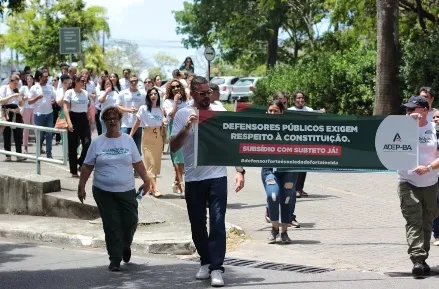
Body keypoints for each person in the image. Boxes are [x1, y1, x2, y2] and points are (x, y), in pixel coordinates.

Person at [170, 76, 245, 287]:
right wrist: (186, 127)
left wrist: (239, 170)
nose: (206, 97)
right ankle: (205, 260)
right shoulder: (183, 113)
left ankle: (217, 268)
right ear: (192, 94)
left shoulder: (218, 112)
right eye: (201, 93)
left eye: (208, 93)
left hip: (217, 177)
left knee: (218, 222)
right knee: (197, 224)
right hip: (194, 178)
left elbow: (231, 143)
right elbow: (173, 147)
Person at [78, 106, 150, 272]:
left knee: (130, 221)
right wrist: (81, 186)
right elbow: (87, 166)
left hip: (126, 190)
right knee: (112, 224)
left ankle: (125, 245)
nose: (112, 121)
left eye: (115, 118)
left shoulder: (127, 140)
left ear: (119, 121)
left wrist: (147, 180)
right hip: (103, 190)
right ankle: (115, 258)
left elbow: (137, 162)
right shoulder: (98, 142)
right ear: (104, 121)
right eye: (109, 119)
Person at [398, 95, 439, 277]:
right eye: (406, 109)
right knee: (414, 221)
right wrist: (405, 125)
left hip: (430, 183)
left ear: (424, 110)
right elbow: (387, 146)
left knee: (427, 222)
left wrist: (429, 167)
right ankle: (417, 259)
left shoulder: (435, 129)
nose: (408, 112)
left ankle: (423, 258)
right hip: (407, 182)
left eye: (412, 109)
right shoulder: (400, 128)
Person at [262, 100, 297, 244]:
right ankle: (274, 228)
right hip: (270, 169)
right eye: (270, 110)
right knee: (273, 195)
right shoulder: (261, 128)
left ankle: (284, 232)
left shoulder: (291, 128)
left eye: (276, 110)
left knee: (287, 199)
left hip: (288, 169)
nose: (272, 113)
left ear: (282, 112)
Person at [130, 87, 164, 197]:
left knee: (156, 164)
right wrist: (130, 136)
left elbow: (162, 123)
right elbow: (137, 123)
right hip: (148, 136)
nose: (153, 96)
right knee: (150, 163)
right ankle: (155, 188)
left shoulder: (160, 109)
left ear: (158, 96)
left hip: (158, 137)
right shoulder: (143, 108)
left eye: (155, 94)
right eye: (151, 94)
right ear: (148, 97)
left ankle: (151, 187)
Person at [163, 79, 189, 195]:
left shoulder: (186, 101)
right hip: (174, 130)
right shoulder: (167, 102)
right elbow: (172, 114)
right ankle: (182, 186)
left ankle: (176, 182)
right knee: (179, 160)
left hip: (186, 130)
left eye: (177, 86)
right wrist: (175, 101)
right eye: (173, 87)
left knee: (184, 159)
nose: (176, 89)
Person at [63, 75, 92, 177]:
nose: (83, 82)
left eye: (84, 81)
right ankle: (73, 170)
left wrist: (89, 118)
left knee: (88, 143)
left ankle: (80, 161)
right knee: (73, 146)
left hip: (83, 118)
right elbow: (65, 107)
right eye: (81, 81)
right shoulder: (69, 92)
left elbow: (87, 107)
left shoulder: (85, 93)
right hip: (73, 117)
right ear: (76, 81)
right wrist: (69, 122)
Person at [28, 70, 57, 158]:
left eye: (47, 76)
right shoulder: (34, 88)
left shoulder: (50, 87)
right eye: (45, 76)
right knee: (40, 135)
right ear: (40, 77)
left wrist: (53, 101)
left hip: (49, 114)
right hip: (38, 115)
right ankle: (38, 153)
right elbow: (29, 101)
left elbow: (54, 99)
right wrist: (37, 97)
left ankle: (49, 154)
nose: (46, 78)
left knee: (49, 134)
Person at [116, 74, 145, 155]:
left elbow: (145, 107)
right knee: (124, 145)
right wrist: (127, 110)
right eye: (132, 81)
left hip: (138, 124)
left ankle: (137, 166)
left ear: (137, 82)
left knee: (137, 146)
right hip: (125, 124)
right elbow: (117, 105)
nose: (134, 82)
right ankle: (126, 165)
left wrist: (138, 110)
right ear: (129, 82)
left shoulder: (143, 94)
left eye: (135, 81)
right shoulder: (123, 93)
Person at [0, 75, 26, 162]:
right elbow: (1, 100)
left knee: (18, 133)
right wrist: (12, 95)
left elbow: (21, 102)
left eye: (17, 83)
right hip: (6, 111)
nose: (16, 85)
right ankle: (8, 155)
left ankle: (18, 154)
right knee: (6, 134)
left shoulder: (17, 90)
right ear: (10, 81)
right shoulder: (4, 88)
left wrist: (21, 106)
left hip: (16, 111)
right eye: (14, 83)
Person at [20, 74, 35, 153]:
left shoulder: (35, 87)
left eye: (30, 79)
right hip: (26, 109)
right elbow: (19, 98)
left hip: (34, 109)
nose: (29, 80)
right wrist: (23, 98)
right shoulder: (23, 88)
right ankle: (25, 146)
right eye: (28, 79)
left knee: (36, 128)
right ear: (26, 80)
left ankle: (39, 145)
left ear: (33, 80)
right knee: (26, 128)